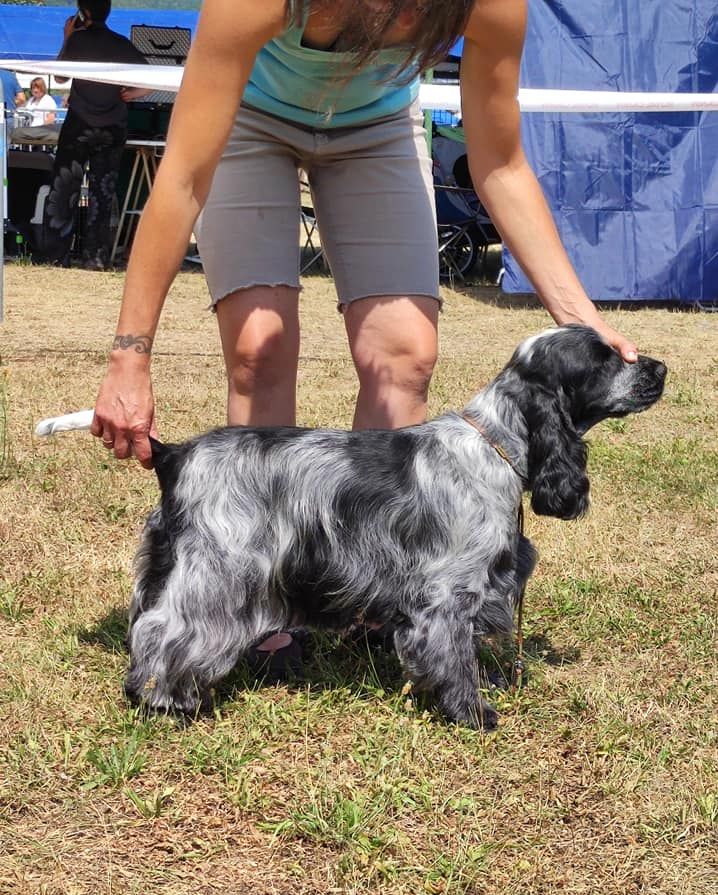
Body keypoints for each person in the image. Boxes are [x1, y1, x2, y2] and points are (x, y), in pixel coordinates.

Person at [92, 0, 640, 663]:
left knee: (406, 352)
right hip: (249, 118)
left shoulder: (492, 5)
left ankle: (377, 598)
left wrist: (580, 321)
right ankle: (259, 600)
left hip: (376, 125)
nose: (408, 22)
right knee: (260, 344)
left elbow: (499, 161)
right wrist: (130, 357)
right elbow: (182, 178)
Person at [36, 1, 147, 270]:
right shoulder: (121, 43)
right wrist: (132, 94)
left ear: (82, 13)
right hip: (112, 126)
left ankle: (57, 255)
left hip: (80, 124)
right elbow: (148, 78)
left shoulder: (77, 41)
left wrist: (67, 38)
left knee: (65, 188)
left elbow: (60, 78)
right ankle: (95, 257)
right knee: (103, 192)